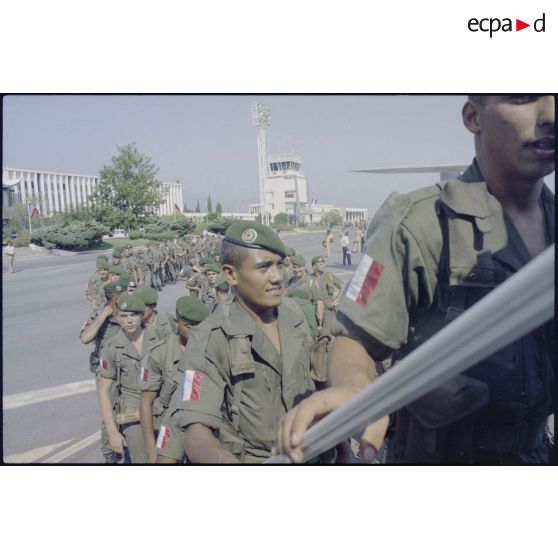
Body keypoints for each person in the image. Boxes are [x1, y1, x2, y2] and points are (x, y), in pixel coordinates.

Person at [275, 95, 555, 465]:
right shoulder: (417, 223)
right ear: (473, 116)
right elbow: (355, 338)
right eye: (522, 97)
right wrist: (355, 390)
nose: (550, 114)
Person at [166, 220, 316, 463]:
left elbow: (316, 383)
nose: (277, 277)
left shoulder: (294, 314)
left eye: (280, 265)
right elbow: (196, 429)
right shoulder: (210, 336)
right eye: (264, 268)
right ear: (231, 274)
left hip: (313, 453)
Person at [96, 293, 167, 463]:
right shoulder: (112, 347)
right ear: (117, 317)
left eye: (134, 315)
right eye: (124, 316)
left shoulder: (160, 337)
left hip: (162, 407)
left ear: (142, 315)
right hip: (132, 412)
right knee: (141, 459)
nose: (129, 321)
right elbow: (103, 391)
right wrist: (112, 432)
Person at [139, 296, 210, 463]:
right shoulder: (159, 354)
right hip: (168, 427)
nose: (195, 332)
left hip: (203, 429)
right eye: (189, 327)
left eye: (200, 327)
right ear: (177, 321)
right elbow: (145, 402)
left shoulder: (211, 351)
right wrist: (151, 449)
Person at [80, 280, 127, 462]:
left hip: (129, 369)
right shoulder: (99, 315)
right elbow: (85, 338)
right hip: (107, 372)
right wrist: (103, 315)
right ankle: (110, 455)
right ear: (112, 298)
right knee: (110, 413)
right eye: (120, 296)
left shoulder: (129, 313)